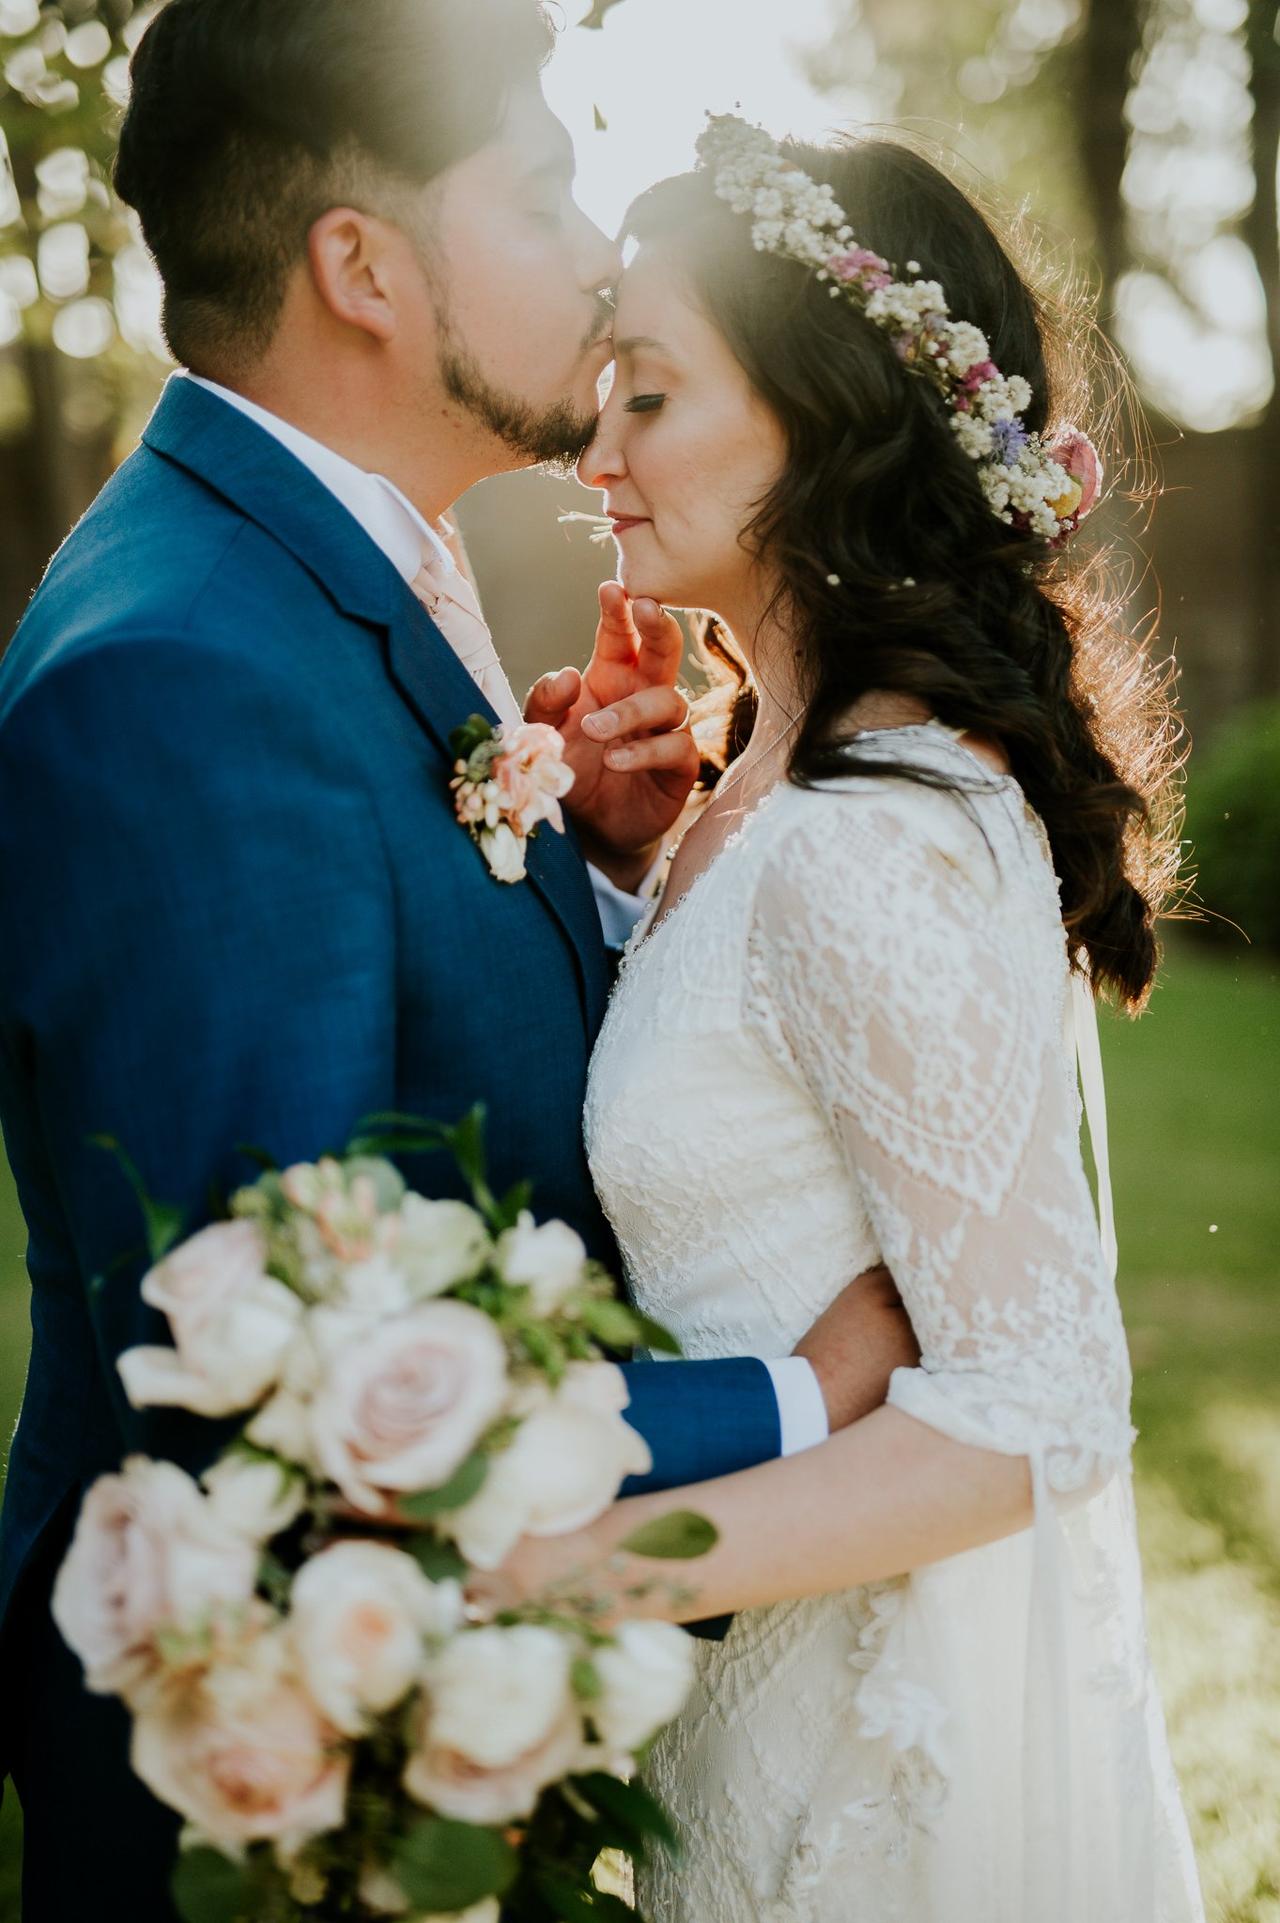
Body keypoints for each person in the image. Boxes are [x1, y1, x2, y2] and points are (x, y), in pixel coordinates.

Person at [0, 13, 912, 1917]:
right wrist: (806, 1400)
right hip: (294, 1812)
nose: (597, 253)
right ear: (365, 268)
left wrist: (568, 865)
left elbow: (381, 1038)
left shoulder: (313, 572)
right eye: (545, 185)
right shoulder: (183, 678)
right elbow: (304, 1370)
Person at [492, 121, 1206, 1922]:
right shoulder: (765, 796)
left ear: (822, 416)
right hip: (747, 1701)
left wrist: (586, 1571)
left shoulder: (862, 842)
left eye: (647, 395)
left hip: (859, 1763)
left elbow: (1043, 1405)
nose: (595, 451)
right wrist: (616, 868)